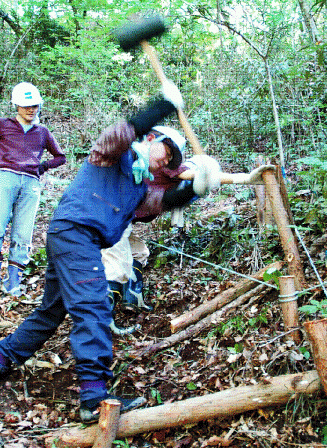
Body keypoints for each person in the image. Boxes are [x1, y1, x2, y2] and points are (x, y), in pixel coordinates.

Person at [0, 93, 209, 424]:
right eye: (165, 152)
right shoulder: (113, 155)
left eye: (170, 161)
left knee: (51, 312)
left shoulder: (139, 184)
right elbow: (123, 132)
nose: (163, 163)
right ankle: (94, 398)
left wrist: (196, 188)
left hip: (75, 239)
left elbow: (160, 203)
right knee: (94, 306)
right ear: (151, 138)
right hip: (75, 233)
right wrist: (164, 105)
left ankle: (2, 357)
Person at [102, 154, 274, 317]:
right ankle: (100, 323)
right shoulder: (169, 170)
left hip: (118, 221)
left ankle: (133, 299)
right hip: (104, 218)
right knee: (115, 269)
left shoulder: (168, 190)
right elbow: (197, 175)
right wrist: (245, 178)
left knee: (139, 252)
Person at [0, 82, 66, 296]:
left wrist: (43, 166)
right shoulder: (4, 125)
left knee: (23, 232)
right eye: (26, 105)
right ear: (16, 105)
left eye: (35, 105)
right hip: (5, 178)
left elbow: (60, 157)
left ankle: (13, 283)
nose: (31, 109)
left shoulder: (42, 131)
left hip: (30, 183)